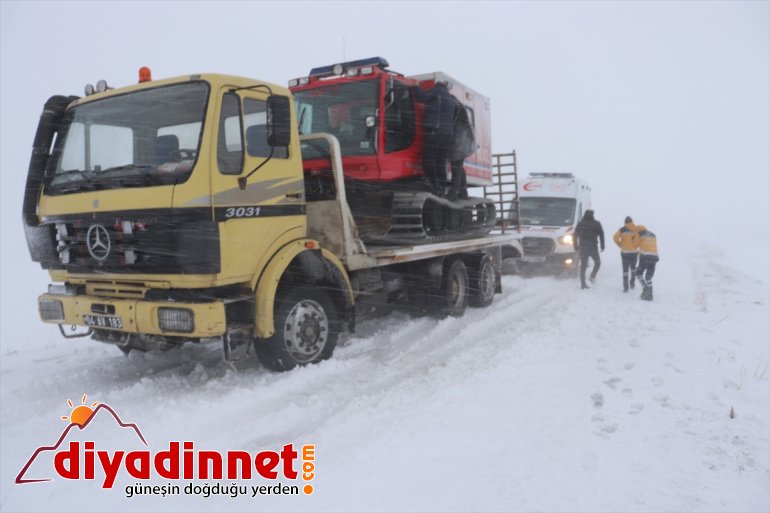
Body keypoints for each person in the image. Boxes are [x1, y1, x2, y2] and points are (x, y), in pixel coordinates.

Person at [413, 81, 455, 196]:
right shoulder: (450, 99)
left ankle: (433, 184)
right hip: (447, 134)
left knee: (428, 159)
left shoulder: (436, 92)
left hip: (434, 130)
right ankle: (442, 186)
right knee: (440, 161)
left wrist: (416, 87)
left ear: (437, 85)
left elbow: (421, 97)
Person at [446, 96, 475, 200]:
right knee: (458, 167)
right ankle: (463, 192)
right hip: (463, 141)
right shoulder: (459, 108)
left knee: (456, 167)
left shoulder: (455, 109)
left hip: (460, 141)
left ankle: (454, 192)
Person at [573, 209, 605, 289]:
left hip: (583, 248)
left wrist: (575, 246)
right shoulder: (596, 224)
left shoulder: (580, 224)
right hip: (593, 247)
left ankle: (583, 284)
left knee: (583, 266)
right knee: (597, 263)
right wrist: (602, 245)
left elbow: (575, 235)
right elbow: (601, 234)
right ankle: (592, 277)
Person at [613, 216, 640, 292]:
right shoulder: (636, 230)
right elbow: (640, 239)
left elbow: (615, 237)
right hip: (634, 253)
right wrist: (636, 246)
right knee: (633, 268)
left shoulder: (622, 230)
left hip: (625, 253)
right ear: (632, 221)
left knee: (625, 270)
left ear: (625, 222)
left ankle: (625, 287)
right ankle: (632, 282)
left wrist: (620, 244)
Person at [634, 225, 659, 301]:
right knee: (648, 277)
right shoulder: (653, 235)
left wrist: (634, 238)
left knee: (638, 274)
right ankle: (650, 294)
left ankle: (645, 289)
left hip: (645, 257)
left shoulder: (639, 234)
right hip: (654, 257)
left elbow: (635, 244)